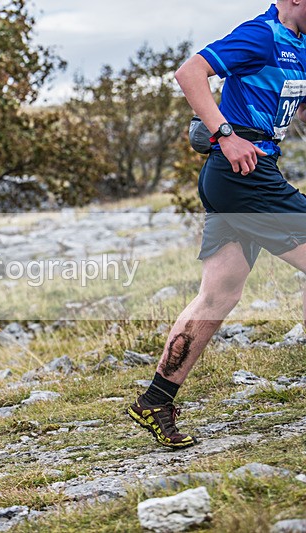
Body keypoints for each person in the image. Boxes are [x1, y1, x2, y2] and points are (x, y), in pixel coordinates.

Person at [128, 0, 306, 448]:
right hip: (241, 175)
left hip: (245, 176)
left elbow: (298, 108)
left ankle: (155, 399)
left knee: (219, 293)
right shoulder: (262, 34)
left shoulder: (299, 45)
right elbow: (190, 73)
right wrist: (225, 135)